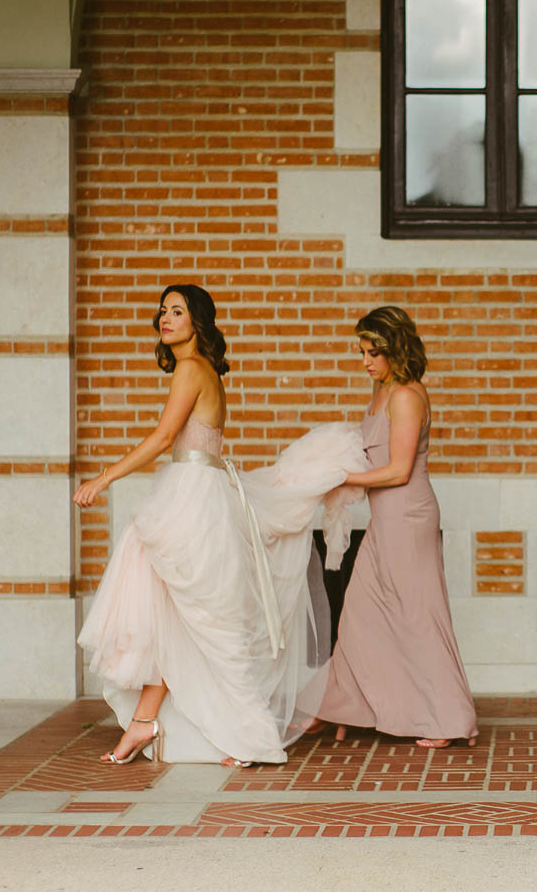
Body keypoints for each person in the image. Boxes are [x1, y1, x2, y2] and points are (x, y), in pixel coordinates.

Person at [75, 284, 349, 768]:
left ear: (197, 321)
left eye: (176, 311)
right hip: (195, 490)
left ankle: (249, 736)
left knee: (204, 617)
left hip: (193, 496)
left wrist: (105, 477)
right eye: (162, 311)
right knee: (173, 608)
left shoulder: (190, 368)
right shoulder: (200, 370)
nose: (165, 318)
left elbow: (164, 436)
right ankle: (145, 719)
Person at [310, 306, 478, 748]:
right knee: (360, 613)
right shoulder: (380, 391)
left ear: (395, 349)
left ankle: (448, 720)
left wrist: (342, 478)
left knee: (419, 616)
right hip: (386, 518)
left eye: (373, 352)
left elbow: (399, 470)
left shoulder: (406, 396)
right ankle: (339, 708)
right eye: (362, 351)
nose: (366, 360)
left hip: (409, 516)